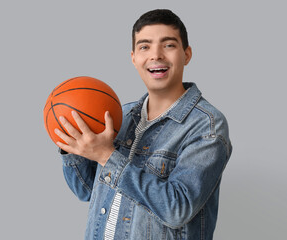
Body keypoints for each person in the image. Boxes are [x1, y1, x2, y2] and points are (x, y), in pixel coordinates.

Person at [54, 9, 232, 240]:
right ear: (134, 58)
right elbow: (86, 191)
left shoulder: (207, 126)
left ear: (186, 54)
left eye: (168, 45)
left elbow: (177, 208)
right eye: (144, 46)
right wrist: (72, 145)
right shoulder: (121, 115)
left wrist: (107, 156)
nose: (155, 55)